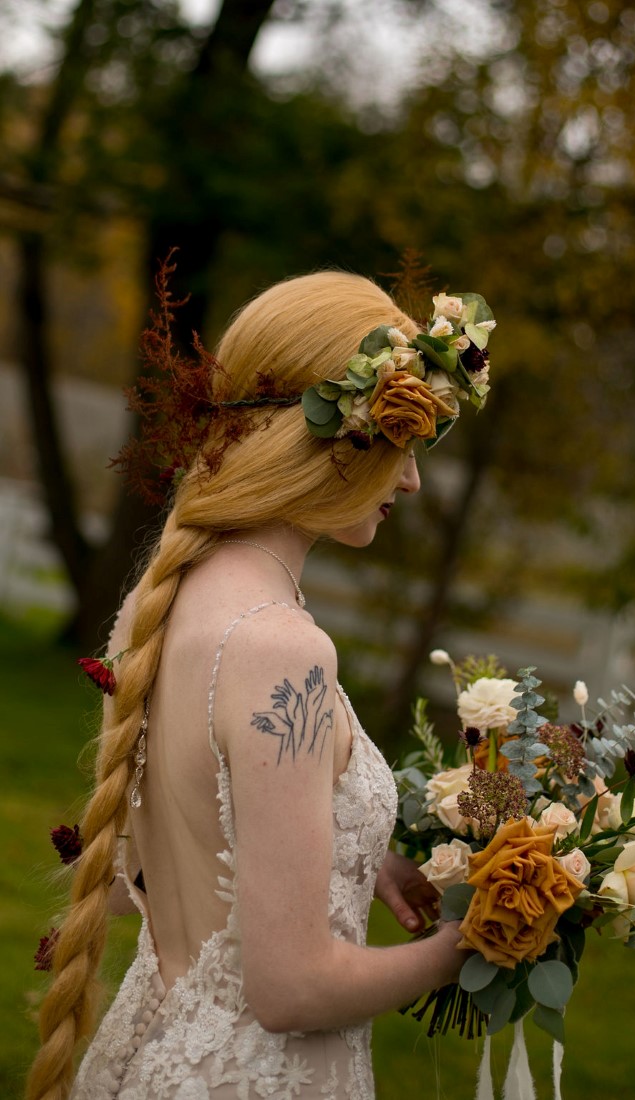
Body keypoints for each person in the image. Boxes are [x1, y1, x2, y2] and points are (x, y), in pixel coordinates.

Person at [26, 271, 494, 1100]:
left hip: (154, 1057)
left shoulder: (160, 599)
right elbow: (291, 991)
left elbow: (187, 840)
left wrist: (359, 857)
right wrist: (484, 940)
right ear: (335, 440)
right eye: (401, 442)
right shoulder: (282, 650)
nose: (413, 481)